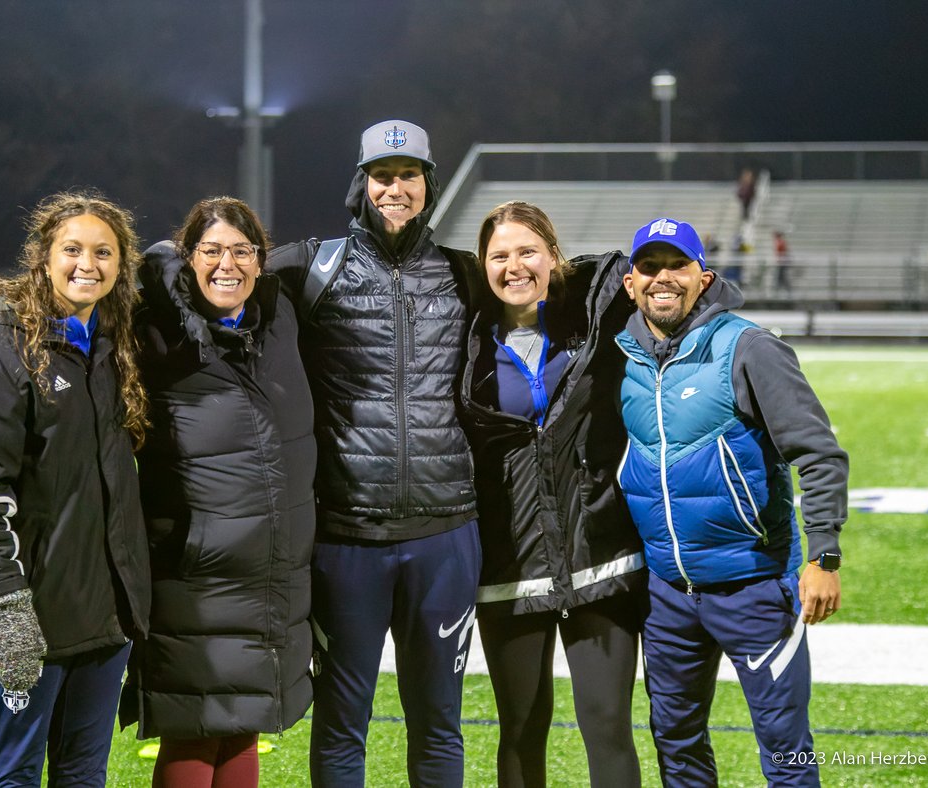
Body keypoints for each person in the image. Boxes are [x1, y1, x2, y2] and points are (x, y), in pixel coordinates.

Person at [268, 119, 482, 786]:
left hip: (447, 535)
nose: (395, 188)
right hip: (345, 540)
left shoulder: (464, 274)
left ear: (429, 186)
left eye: (408, 175)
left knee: (440, 725)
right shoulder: (312, 264)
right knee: (340, 724)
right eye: (382, 176)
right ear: (361, 184)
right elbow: (211, 278)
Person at [615, 217, 849, 786]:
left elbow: (818, 453)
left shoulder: (749, 346)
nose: (662, 277)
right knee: (676, 742)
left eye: (677, 265)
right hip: (667, 595)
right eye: (649, 266)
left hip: (754, 587)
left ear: (704, 276)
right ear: (630, 283)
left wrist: (824, 557)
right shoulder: (620, 356)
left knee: (785, 749)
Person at [0, 190, 151, 787]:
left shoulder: (111, 345)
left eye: (104, 252)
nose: (89, 264)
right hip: (33, 616)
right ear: (43, 257)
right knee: (16, 775)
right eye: (73, 249)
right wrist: (7, 612)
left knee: (84, 774)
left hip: (102, 618)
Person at [119, 197, 316, 787]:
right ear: (188, 259)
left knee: (242, 723)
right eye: (210, 251)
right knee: (194, 726)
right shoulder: (153, 329)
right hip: (195, 576)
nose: (226, 264)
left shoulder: (280, 320)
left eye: (240, 251)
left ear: (261, 261)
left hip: (272, 571)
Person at [459, 201, 646, 787]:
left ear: (553, 256)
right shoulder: (466, 342)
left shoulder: (592, 318)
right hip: (509, 556)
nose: (514, 266)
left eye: (527, 251)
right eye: (499, 255)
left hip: (599, 552)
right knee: (520, 726)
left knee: (607, 723)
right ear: (483, 267)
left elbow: (663, 277)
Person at [773, 229, 793, 293]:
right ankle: (785, 289)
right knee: (781, 276)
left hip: (783, 262)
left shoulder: (781, 242)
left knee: (781, 276)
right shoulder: (780, 242)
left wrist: (780, 260)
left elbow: (783, 253)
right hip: (782, 261)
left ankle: (781, 289)